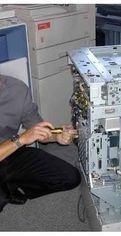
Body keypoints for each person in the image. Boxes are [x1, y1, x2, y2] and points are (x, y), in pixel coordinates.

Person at [0, 75, 81, 212]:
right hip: (15, 144)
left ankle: (10, 183)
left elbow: (37, 128)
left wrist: (57, 136)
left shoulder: (17, 89)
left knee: (70, 177)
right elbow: (24, 138)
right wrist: (21, 139)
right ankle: (5, 189)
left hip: (13, 149)